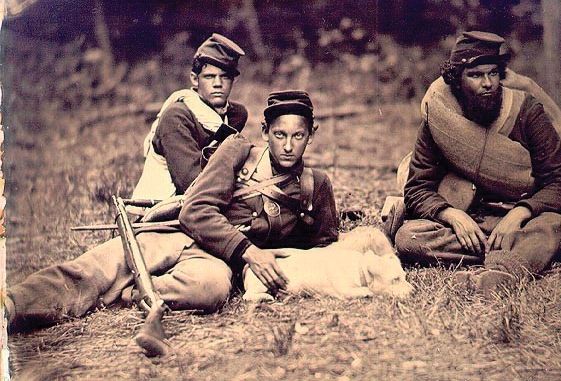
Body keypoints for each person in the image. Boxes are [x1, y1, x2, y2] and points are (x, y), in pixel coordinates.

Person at [5, 91, 338, 331]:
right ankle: (14, 306)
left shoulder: (316, 186)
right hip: (177, 233)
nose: (288, 145)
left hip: (218, 261)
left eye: (298, 135)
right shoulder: (238, 151)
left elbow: (323, 248)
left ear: (312, 135)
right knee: (96, 269)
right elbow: (195, 210)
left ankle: (127, 294)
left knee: (210, 290)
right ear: (265, 132)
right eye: (279, 134)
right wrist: (251, 252)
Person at [391, 31, 561, 295]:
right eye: (476, 75)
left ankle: (503, 273)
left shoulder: (526, 111)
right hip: (469, 223)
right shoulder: (441, 118)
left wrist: (521, 212)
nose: (488, 83)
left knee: (554, 225)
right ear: (457, 80)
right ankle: (521, 254)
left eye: (493, 73)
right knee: (408, 236)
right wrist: (451, 215)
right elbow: (417, 188)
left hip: (521, 221)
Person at [132, 33, 248, 199]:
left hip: (210, 193)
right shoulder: (176, 116)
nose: (217, 84)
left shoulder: (235, 115)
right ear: (194, 79)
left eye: (225, 76)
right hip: (166, 203)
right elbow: (190, 183)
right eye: (209, 76)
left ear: (233, 81)